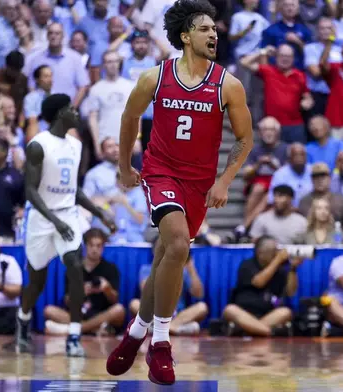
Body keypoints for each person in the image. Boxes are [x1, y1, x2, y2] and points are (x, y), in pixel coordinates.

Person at [106, 0, 254, 385]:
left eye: (215, 30)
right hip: (160, 173)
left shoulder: (228, 84)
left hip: (200, 183)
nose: (213, 35)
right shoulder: (154, 77)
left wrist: (224, 181)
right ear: (186, 36)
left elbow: (244, 139)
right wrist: (125, 166)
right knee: (176, 246)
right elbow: (129, 117)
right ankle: (160, 343)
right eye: (205, 29)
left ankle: (135, 332)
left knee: (164, 258)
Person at [15, 94, 116, 357]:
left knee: (74, 266)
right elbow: (30, 192)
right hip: (41, 218)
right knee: (37, 282)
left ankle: (74, 335)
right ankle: (23, 318)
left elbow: (74, 190)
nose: (76, 111)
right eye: (71, 108)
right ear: (60, 114)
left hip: (68, 214)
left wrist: (100, 213)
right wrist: (55, 222)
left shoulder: (76, 144)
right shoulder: (38, 145)